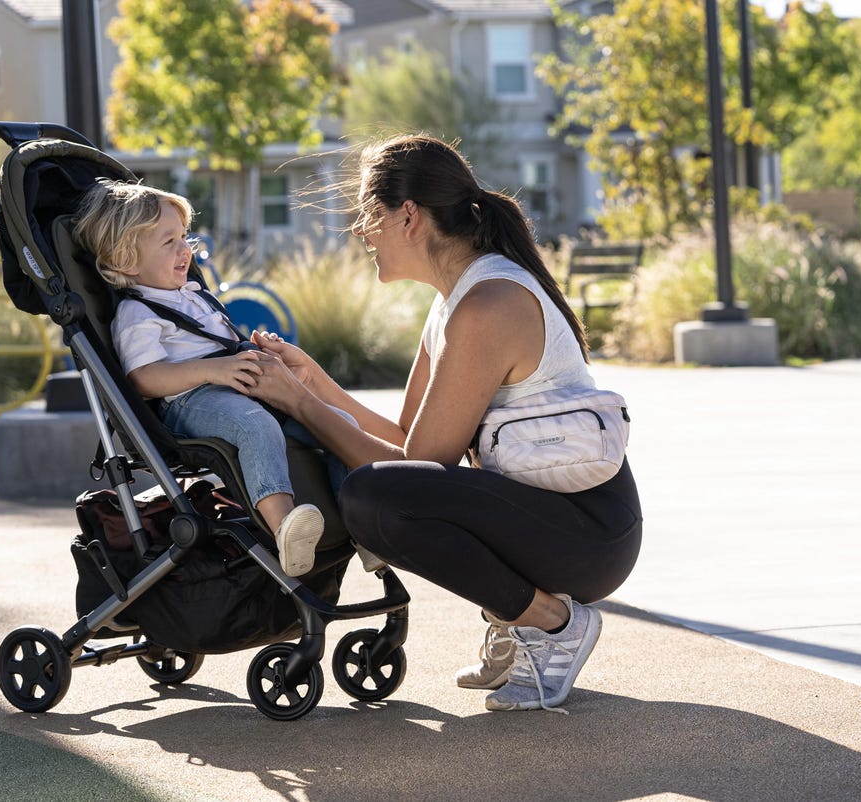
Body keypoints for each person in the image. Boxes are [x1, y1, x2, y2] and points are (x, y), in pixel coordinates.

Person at [244, 134, 643, 713]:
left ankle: (552, 623)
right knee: (378, 490)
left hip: (590, 532)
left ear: (408, 215)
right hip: (553, 518)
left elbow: (415, 469)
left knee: (375, 500)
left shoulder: (489, 303)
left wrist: (304, 406)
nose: (359, 231)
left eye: (366, 214)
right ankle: (524, 616)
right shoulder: (456, 299)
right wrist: (312, 383)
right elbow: (408, 442)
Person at [72, 179, 337, 577]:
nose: (186, 251)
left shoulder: (192, 295)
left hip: (233, 385)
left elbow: (221, 345)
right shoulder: (137, 313)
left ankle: (361, 522)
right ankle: (285, 528)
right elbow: (144, 378)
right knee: (256, 426)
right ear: (127, 260)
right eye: (169, 243)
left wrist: (254, 350)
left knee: (329, 422)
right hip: (190, 400)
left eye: (184, 237)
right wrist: (215, 369)